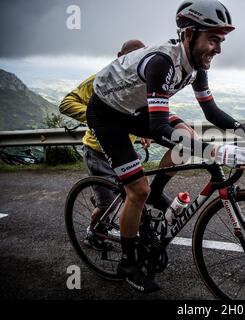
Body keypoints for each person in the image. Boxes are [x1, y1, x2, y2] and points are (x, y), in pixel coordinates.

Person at [87, 0, 245, 293]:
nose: (218, 49)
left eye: (221, 41)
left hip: (134, 107)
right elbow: (158, 129)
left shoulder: (195, 65)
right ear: (189, 35)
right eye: (213, 39)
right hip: (107, 115)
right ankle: (128, 262)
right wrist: (218, 151)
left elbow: (212, 113)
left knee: (187, 134)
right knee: (136, 190)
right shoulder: (162, 62)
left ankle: (156, 194)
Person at [59, 39, 193, 250]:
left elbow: (143, 112)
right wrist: (101, 119)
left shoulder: (140, 78)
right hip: (97, 150)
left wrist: (141, 132)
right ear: (119, 56)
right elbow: (66, 103)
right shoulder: (101, 79)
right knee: (106, 205)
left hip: (123, 147)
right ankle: (93, 233)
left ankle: (136, 236)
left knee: (135, 194)